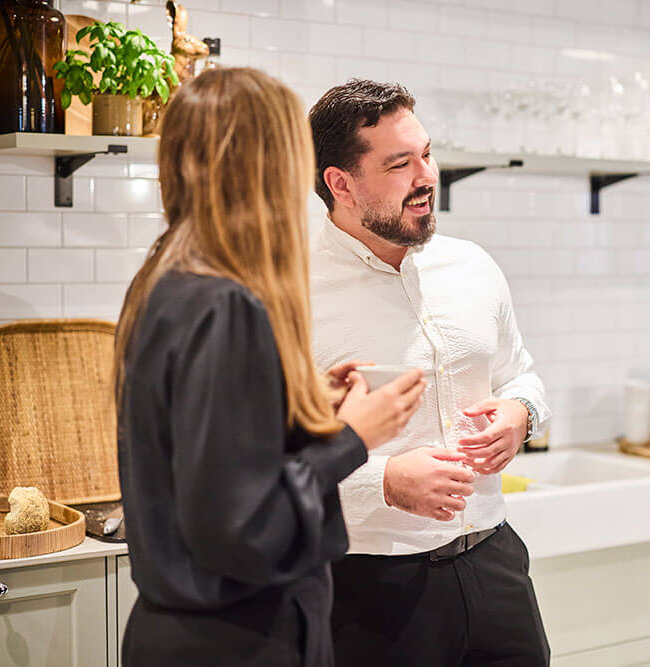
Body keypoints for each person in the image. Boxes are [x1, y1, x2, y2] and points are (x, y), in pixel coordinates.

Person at [114, 68, 427, 667]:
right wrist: (355, 436)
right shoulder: (225, 302)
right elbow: (242, 529)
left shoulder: (166, 281)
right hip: (236, 642)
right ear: (268, 168)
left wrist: (294, 404)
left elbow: (213, 463)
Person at [308, 79, 552, 666]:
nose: (426, 176)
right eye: (399, 164)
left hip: (494, 562)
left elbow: (522, 375)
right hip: (367, 590)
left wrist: (522, 414)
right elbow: (261, 459)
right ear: (340, 184)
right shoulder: (288, 292)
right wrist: (383, 481)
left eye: (426, 153)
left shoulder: (472, 265)